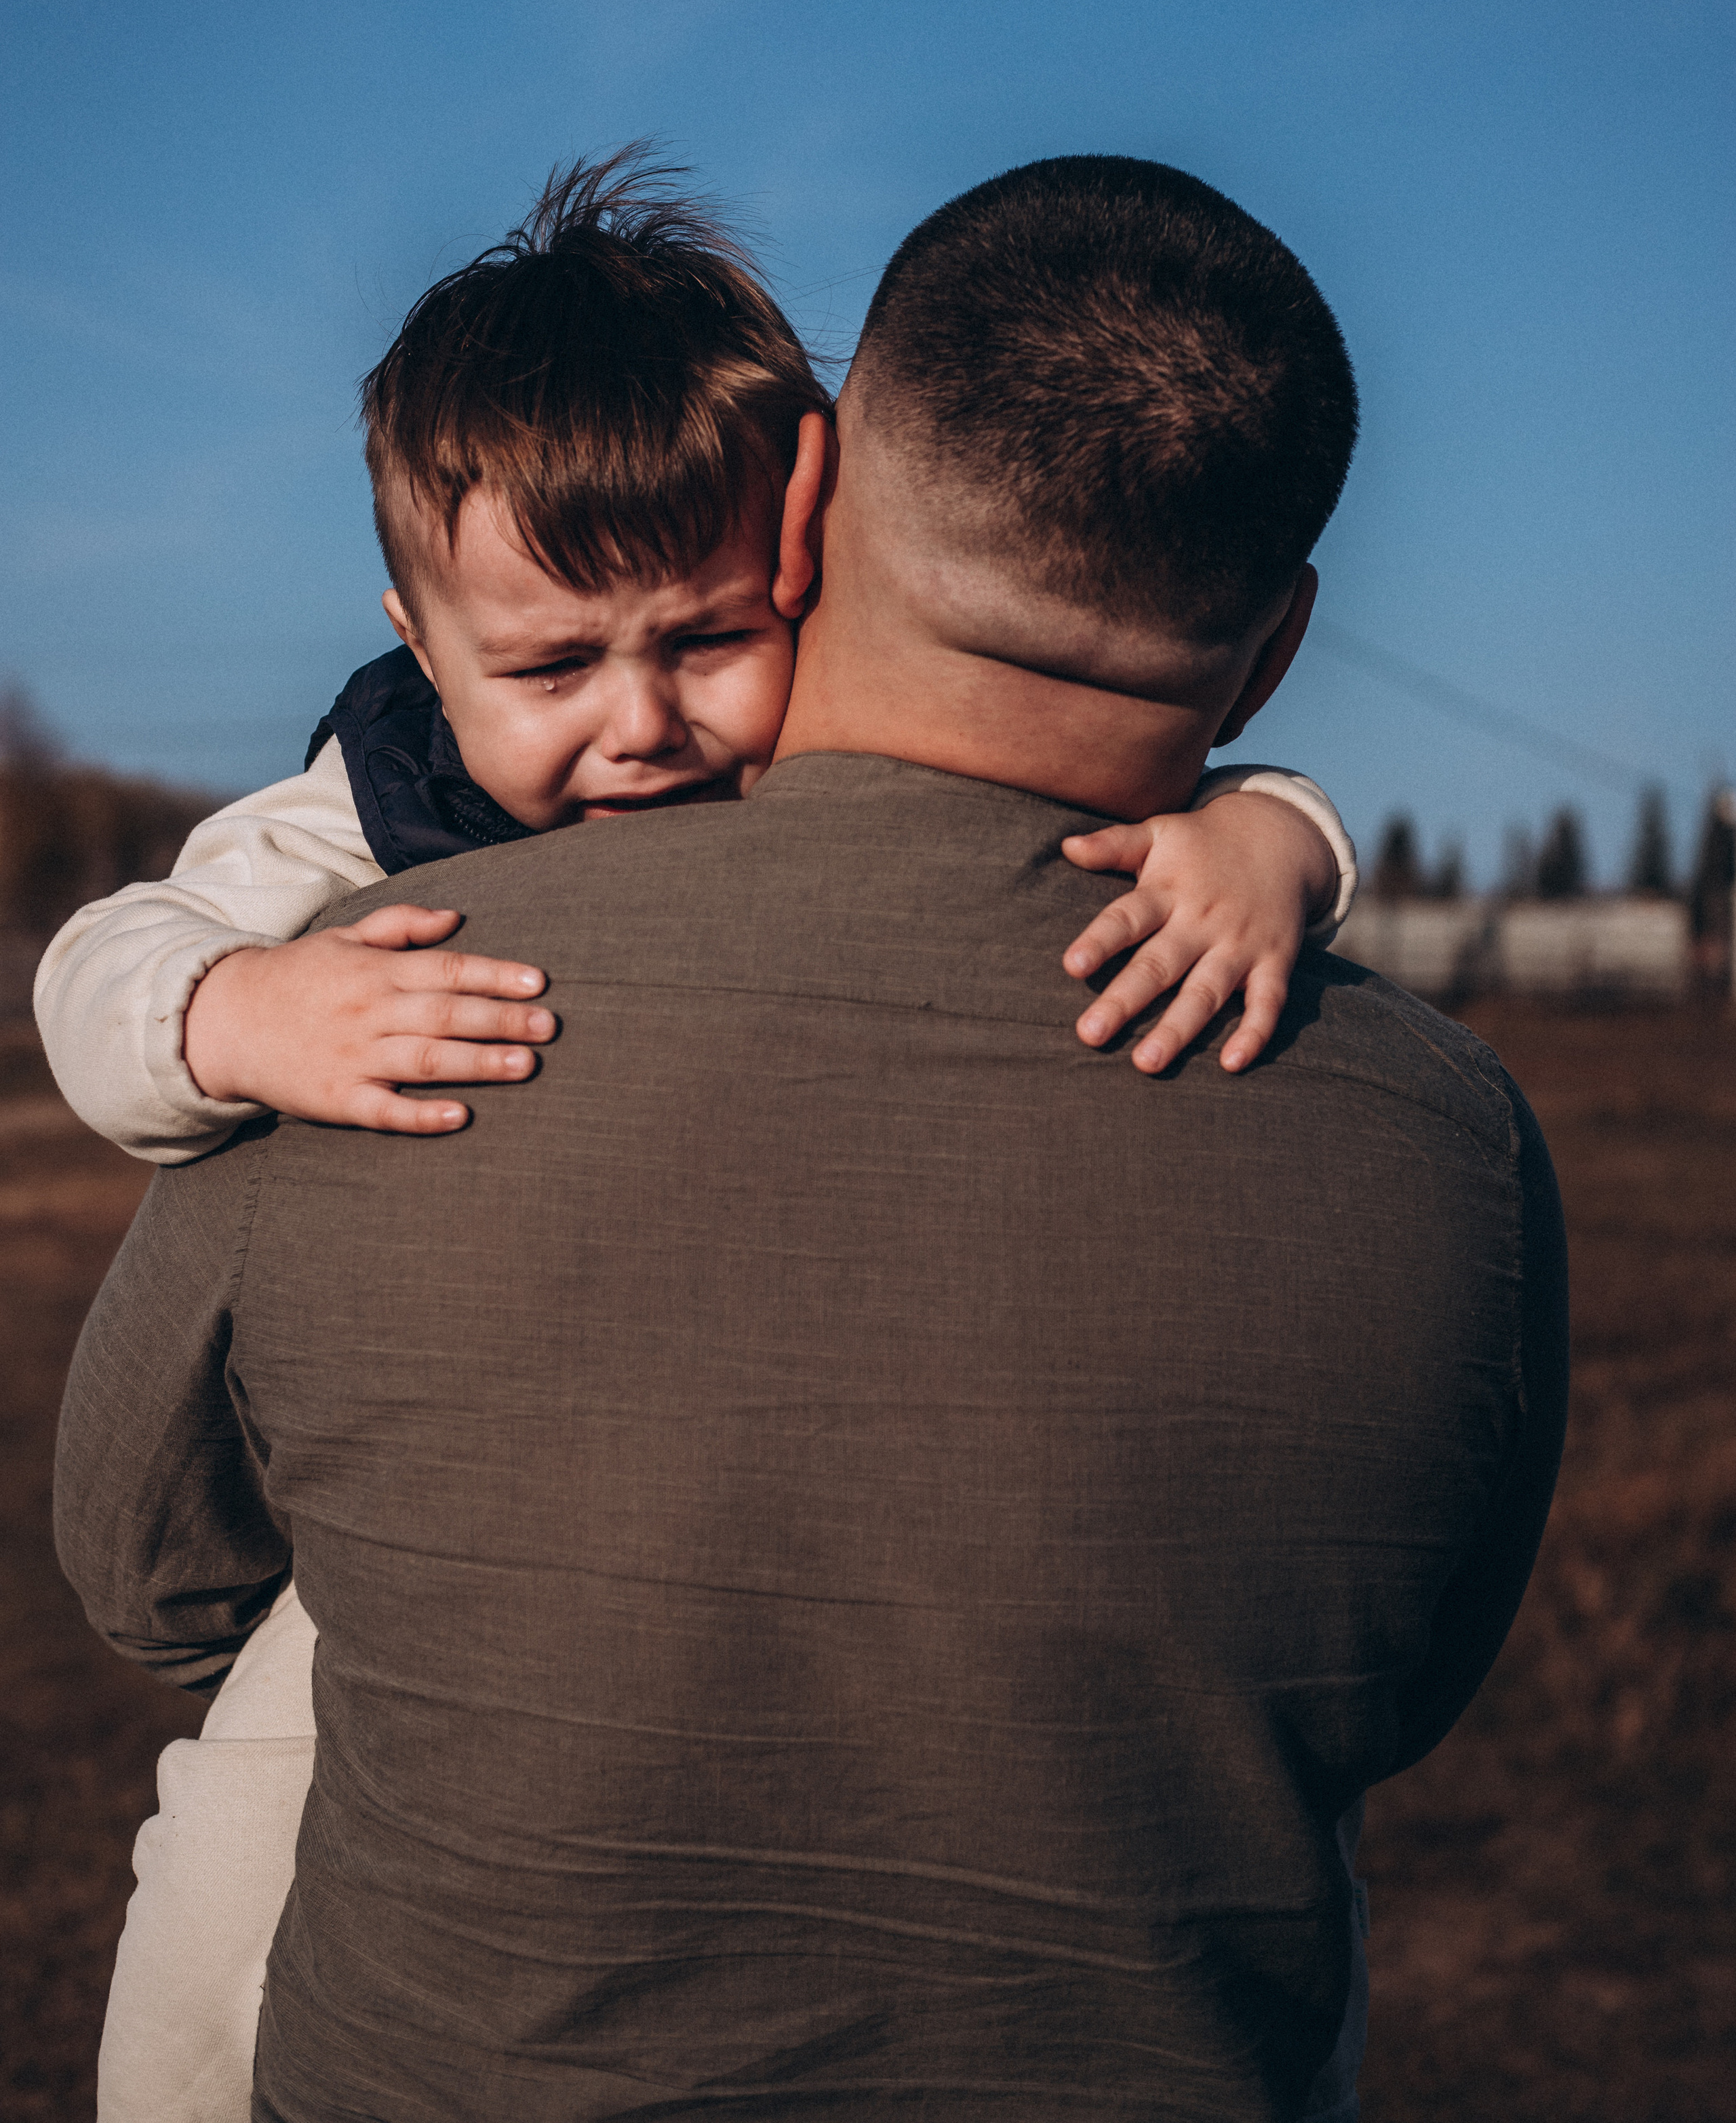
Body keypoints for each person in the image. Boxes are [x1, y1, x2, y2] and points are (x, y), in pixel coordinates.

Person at [57, 154, 1567, 2122]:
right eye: (548, 666)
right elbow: (1404, 1685)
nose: (638, 726)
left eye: (691, 643)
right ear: (1272, 643)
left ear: (803, 514)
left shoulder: (412, 1005)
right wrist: (217, 1009)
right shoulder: (1445, 1142)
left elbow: (146, 1573)